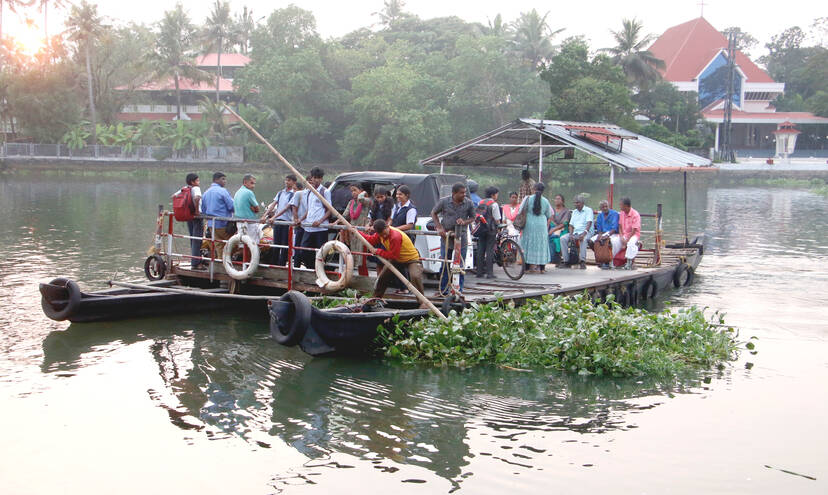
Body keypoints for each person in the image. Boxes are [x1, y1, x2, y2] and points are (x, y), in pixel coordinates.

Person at [358, 219, 426, 302]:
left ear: (387, 227)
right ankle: (375, 299)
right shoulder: (380, 234)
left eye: (384, 233)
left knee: (415, 276)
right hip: (397, 259)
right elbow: (371, 240)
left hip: (411, 259)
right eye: (381, 235)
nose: (384, 236)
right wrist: (357, 232)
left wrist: (378, 251)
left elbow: (393, 255)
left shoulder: (395, 236)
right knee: (382, 278)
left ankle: (423, 302)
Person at [431, 182, 475, 296]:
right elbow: (434, 213)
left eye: (465, 192)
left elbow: (473, 217)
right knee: (445, 263)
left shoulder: (469, 203)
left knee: (459, 265)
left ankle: (458, 290)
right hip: (446, 238)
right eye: (461, 193)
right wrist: (439, 227)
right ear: (454, 193)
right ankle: (443, 289)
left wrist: (464, 222)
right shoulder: (444, 201)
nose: (464, 195)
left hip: (461, 238)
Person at [296, 167, 331, 269]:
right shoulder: (309, 192)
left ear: (321, 179)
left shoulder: (325, 192)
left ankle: (319, 271)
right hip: (309, 227)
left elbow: (329, 210)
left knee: (320, 252)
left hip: (320, 228)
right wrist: (300, 219)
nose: (315, 180)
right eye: (314, 178)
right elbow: (309, 210)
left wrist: (320, 221)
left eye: (318, 178)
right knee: (304, 250)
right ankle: (311, 268)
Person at [518, 183, 552, 273]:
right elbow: (549, 214)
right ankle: (542, 269)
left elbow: (520, 210)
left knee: (528, 244)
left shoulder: (527, 199)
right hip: (541, 225)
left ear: (534, 189)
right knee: (542, 244)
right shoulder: (545, 201)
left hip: (529, 224)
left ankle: (527, 268)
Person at [172, 173, 203, 269]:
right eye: (197, 180)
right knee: (197, 240)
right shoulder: (196, 188)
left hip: (188, 216)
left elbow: (173, 196)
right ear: (192, 182)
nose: (199, 182)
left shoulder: (184, 188)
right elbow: (197, 198)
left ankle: (194, 260)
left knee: (192, 238)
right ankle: (196, 263)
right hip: (196, 216)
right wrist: (197, 210)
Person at [265, 174, 297, 266]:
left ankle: (281, 264)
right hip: (278, 221)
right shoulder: (280, 193)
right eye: (286, 180)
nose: (287, 182)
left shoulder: (293, 194)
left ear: (294, 182)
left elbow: (286, 208)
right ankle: (274, 263)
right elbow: (273, 205)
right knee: (276, 243)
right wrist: (264, 215)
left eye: (289, 180)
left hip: (286, 221)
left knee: (284, 244)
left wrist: (273, 217)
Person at [200, 171, 235, 258]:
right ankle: (229, 264)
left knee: (219, 246)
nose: (225, 181)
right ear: (216, 180)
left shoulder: (206, 193)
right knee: (231, 244)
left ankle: (221, 264)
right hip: (224, 224)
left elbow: (203, 210)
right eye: (223, 179)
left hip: (211, 224)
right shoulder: (223, 191)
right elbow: (232, 206)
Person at [343, 183, 370, 276]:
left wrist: (364, 192)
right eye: (351, 191)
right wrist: (336, 223)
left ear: (360, 190)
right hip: (353, 234)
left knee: (362, 260)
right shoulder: (351, 203)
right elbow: (344, 215)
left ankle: (364, 282)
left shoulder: (366, 201)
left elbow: (361, 199)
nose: (353, 193)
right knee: (354, 258)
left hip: (363, 233)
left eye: (355, 190)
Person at [559, 195, 593, 269]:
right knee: (563, 238)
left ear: (582, 203)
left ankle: (582, 261)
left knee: (583, 239)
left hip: (586, 232)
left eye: (578, 203)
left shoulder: (588, 210)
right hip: (575, 232)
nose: (576, 204)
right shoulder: (574, 212)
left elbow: (589, 223)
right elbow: (571, 225)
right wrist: (571, 234)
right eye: (575, 203)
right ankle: (566, 261)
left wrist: (584, 233)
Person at [474, 186, 502, 279]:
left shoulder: (480, 202)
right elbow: (497, 219)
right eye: (497, 194)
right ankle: (490, 273)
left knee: (481, 249)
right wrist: (499, 226)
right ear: (493, 195)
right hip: (491, 229)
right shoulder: (494, 204)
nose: (497, 196)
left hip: (481, 229)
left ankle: (479, 272)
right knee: (489, 250)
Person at [590, 200, 622, 269]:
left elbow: (614, 228)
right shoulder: (600, 216)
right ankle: (601, 257)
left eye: (606, 206)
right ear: (600, 208)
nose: (605, 208)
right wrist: (599, 235)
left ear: (609, 206)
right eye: (603, 207)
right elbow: (599, 229)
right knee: (591, 241)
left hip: (612, 233)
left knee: (607, 241)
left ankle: (607, 261)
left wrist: (607, 235)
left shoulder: (614, 214)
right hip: (603, 233)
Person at [290, 179, 310, 268]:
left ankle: (307, 264)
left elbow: (310, 210)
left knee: (306, 247)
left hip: (309, 225)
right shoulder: (300, 193)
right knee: (298, 246)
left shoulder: (315, 194)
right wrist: (296, 219)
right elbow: (294, 207)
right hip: (300, 225)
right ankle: (297, 265)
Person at [618, 197, 641, 270]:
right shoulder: (622, 213)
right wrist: (621, 237)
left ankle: (629, 262)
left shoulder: (635, 214)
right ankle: (612, 262)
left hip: (634, 235)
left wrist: (626, 241)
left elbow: (634, 230)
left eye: (621, 205)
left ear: (626, 206)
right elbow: (620, 226)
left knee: (631, 243)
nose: (620, 206)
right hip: (624, 234)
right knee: (614, 241)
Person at [548, 194, 571, 265]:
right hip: (552, 228)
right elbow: (550, 219)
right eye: (556, 199)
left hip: (563, 230)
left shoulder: (566, 211)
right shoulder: (552, 210)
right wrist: (552, 227)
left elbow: (565, 223)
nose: (556, 200)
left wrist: (554, 229)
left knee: (559, 238)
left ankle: (559, 257)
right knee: (548, 236)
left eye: (558, 199)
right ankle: (551, 257)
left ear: (563, 201)